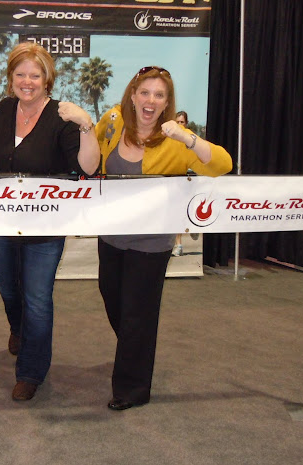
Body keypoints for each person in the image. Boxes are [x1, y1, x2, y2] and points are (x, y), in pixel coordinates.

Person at [0, 42, 100, 401]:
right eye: (20, 74)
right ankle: (18, 329)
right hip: (2, 220)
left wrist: (86, 125)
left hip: (45, 226)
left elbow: (88, 168)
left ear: (47, 78)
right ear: (11, 78)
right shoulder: (6, 108)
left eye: (35, 75)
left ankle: (31, 373)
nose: (27, 81)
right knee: (8, 288)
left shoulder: (62, 116)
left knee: (37, 299)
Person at [95, 66, 232, 411]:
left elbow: (223, 165)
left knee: (137, 315)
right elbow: (93, 150)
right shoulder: (113, 120)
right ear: (132, 95)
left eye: (159, 95)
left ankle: (132, 389)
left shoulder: (176, 137)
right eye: (145, 92)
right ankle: (136, 350)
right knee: (114, 302)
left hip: (151, 243)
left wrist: (189, 139)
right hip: (111, 237)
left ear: (167, 102)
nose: (150, 100)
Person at [172, 110, 190, 256]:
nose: (179, 124)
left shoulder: (189, 139)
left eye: (182, 122)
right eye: (177, 122)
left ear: (186, 123)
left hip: (184, 180)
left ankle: (178, 244)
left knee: (179, 214)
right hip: (169, 180)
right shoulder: (168, 138)